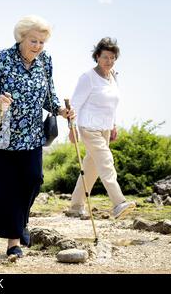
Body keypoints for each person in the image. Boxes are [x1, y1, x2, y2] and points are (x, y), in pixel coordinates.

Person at [0, 15, 75, 258]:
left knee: (33, 179)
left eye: (42, 42)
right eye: (34, 41)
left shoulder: (45, 61)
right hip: (3, 133)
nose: (38, 46)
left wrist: (61, 110)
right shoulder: (2, 58)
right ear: (21, 37)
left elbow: (48, 96)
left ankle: (21, 222)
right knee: (7, 189)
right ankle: (14, 242)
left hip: (32, 135)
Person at [66, 37, 136, 219]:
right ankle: (119, 202)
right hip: (88, 127)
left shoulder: (113, 76)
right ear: (97, 56)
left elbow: (113, 104)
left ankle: (75, 205)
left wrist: (113, 124)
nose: (109, 61)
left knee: (92, 168)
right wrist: (71, 128)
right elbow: (74, 105)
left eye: (112, 58)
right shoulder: (88, 77)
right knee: (106, 162)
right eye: (105, 57)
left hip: (104, 128)